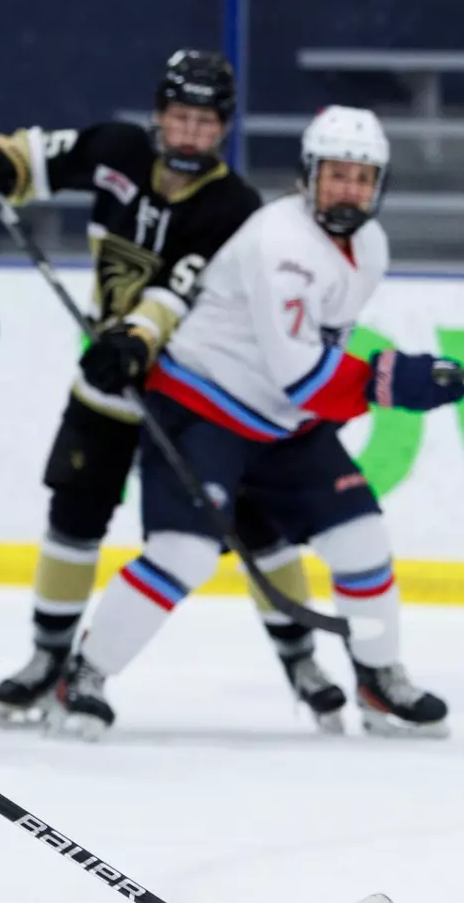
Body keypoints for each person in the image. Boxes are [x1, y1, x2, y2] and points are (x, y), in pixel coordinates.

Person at [0, 50, 344, 730]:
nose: (190, 133)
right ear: (160, 115)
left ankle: (300, 659)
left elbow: (178, 290)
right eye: (179, 117)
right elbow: (40, 157)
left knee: (258, 528)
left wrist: (135, 339)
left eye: (205, 121)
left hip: (201, 401)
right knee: (73, 517)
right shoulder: (118, 149)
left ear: (223, 127)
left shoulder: (236, 209)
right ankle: (48, 658)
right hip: (106, 387)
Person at [57, 107, 457, 740]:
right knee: (182, 555)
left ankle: (379, 681)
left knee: (362, 541)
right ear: (308, 176)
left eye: (362, 177)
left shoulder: (370, 245)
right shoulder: (282, 245)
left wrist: (396, 378)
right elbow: (305, 375)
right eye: (336, 174)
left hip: (282, 422)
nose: (349, 189)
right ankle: (84, 675)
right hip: (202, 409)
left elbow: (310, 365)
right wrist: (402, 379)